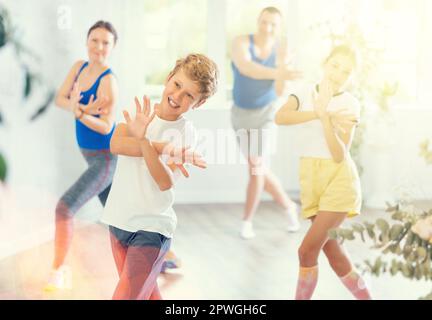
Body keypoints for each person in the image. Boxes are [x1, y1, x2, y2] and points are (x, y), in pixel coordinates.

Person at [101, 54, 218, 300]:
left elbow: (164, 181)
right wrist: (162, 148)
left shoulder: (186, 133)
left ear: (199, 103)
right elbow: (116, 144)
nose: (177, 96)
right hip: (119, 220)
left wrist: (143, 140)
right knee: (147, 293)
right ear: (168, 79)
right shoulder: (139, 110)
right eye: (177, 85)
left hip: (152, 228)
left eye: (189, 95)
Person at [275, 45, 372, 300]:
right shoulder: (304, 91)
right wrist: (317, 112)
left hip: (339, 180)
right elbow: (281, 117)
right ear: (325, 63)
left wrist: (325, 117)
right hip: (310, 179)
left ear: (352, 77)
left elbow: (339, 153)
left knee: (306, 251)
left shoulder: (350, 104)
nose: (338, 73)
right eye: (335, 65)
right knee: (335, 255)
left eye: (346, 71)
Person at [44, 21, 119, 291]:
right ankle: (163, 257)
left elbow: (107, 126)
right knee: (122, 219)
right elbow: (59, 99)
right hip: (93, 158)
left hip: (105, 159)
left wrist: (80, 112)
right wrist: (76, 106)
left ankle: (58, 271)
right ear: (87, 41)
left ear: (112, 48)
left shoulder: (108, 81)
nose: (99, 47)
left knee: (64, 208)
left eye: (105, 43)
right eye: (94, 40)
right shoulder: (79, 67)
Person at [231, 6, 302, 239]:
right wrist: (280, 71)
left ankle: (247, 221)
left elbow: (281, 89)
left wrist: (282, 68)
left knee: (256, 166)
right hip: (240, 114)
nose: (267, 27)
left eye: (273, 24)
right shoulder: (241, 42)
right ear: (258, 21)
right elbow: (246, 67)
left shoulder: (282, 51)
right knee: (259, 168)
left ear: (278, 27)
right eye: (264, 22)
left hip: (267, 113)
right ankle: (289, 207)